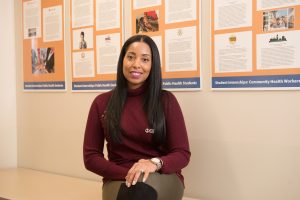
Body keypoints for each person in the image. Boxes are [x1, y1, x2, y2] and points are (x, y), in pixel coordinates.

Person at [83, 34, 191, 200]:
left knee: (141, 194)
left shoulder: (166, 101)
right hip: (119, 178)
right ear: (122, 61)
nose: (136, 65)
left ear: (152, 65)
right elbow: (91, 157)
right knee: (135, 194)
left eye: (145, 59)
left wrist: (153, 163)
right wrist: (130, 173)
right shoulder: (101, 102)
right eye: (131, 57)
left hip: (161, 175)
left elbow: (182, 153)